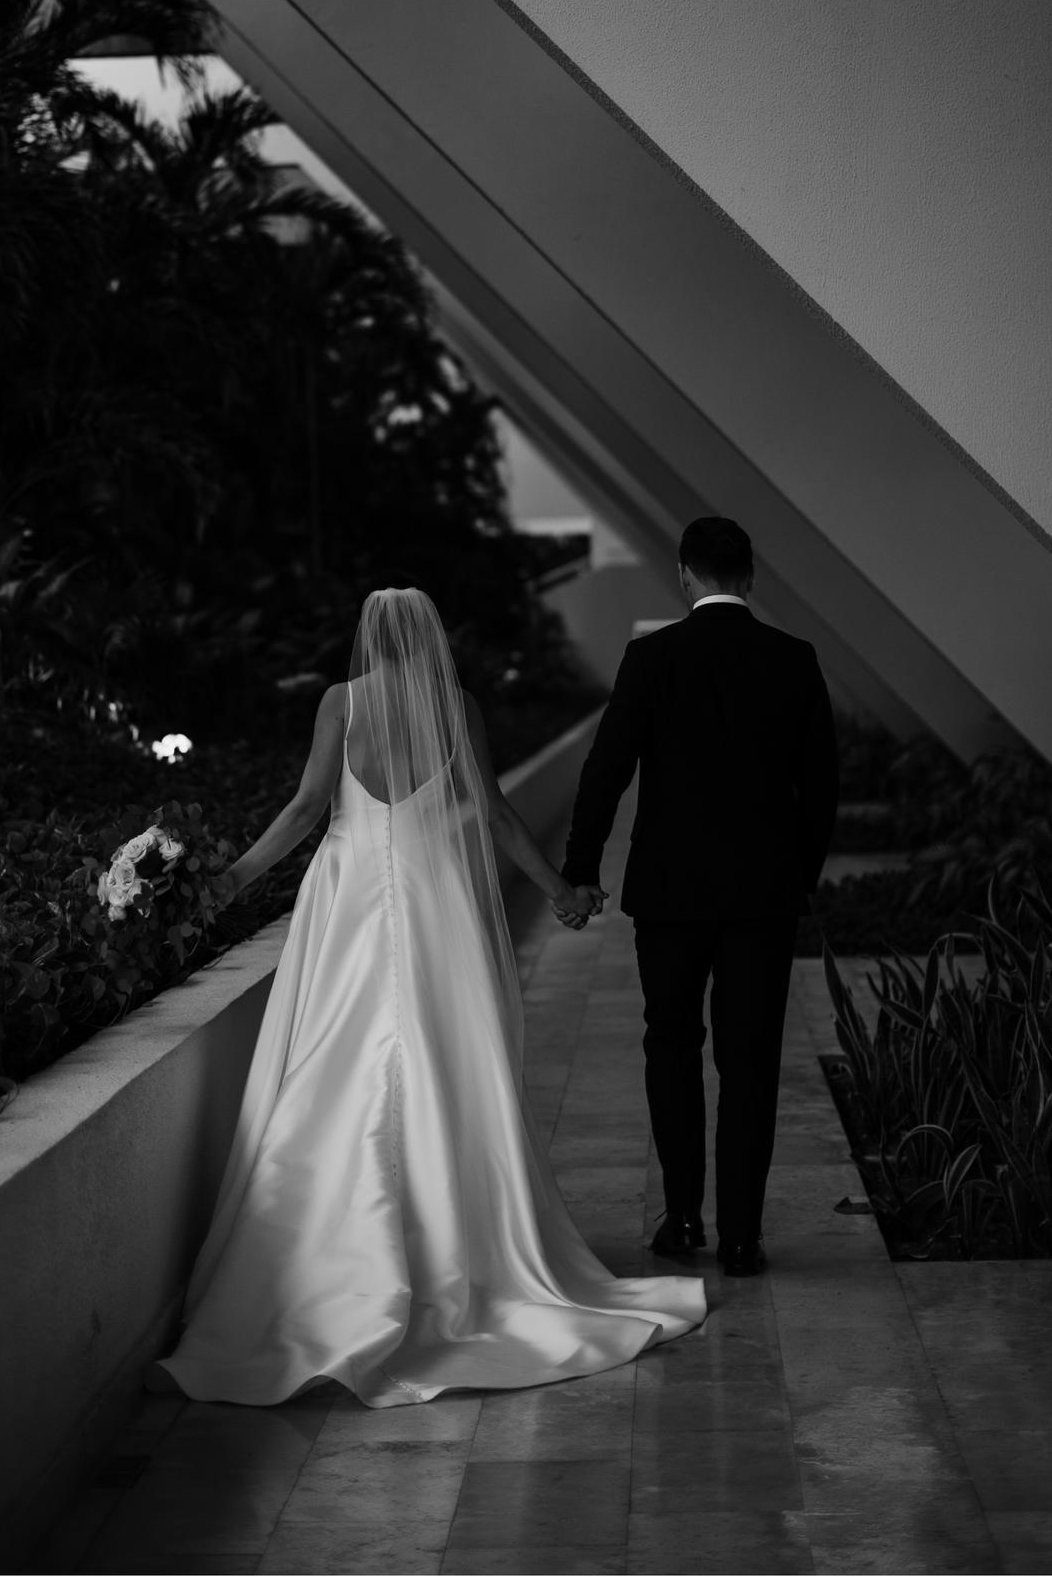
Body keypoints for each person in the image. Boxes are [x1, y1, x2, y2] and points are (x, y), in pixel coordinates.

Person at [151, 586, 706, 1407]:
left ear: (370, 638)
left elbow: (308, 807)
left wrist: (228, 881)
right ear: (431, 639)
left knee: (334, 1063)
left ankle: (331, 1267)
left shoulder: (341, 703)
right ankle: (459, 1247)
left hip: (348, 909)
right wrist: (561, 887)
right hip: (433, 903)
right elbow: (495, 814)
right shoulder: (457, 706)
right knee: (447, 1066)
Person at [559, 517, 839, 1277]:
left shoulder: (653, 658)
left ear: (685, 575)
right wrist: (796, 874)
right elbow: (821, 791)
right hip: (761, 897)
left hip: (671, 895)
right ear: (751, 575)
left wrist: (579, 870)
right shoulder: (793, 659)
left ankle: (684, 1218)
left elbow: (606, 770)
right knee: (750, 1063)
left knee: (672, 1046)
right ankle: (742, 1236)